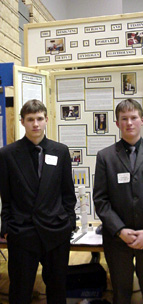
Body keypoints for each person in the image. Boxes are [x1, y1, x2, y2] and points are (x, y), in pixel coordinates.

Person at [93, 98, 143, 304]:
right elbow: (100, 199)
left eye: (134, 118)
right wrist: (120, 230)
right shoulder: (105, 157)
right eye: (124, 118)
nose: (129, 122)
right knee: (121, 294)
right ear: (117, 123)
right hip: (118, 241)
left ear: (142, 120)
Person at [0, 99, 76, 304]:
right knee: (20, 291)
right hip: (23, 231)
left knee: (57, 289)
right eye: (31, 119)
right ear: (22, 121)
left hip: (56, 230)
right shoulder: (7, 154)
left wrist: (69, 222)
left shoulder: (60, 151)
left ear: (46, 120)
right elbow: (5, 196)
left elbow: (68, 193)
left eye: (39, 119)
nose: (36, 124)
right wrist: (7, 226)